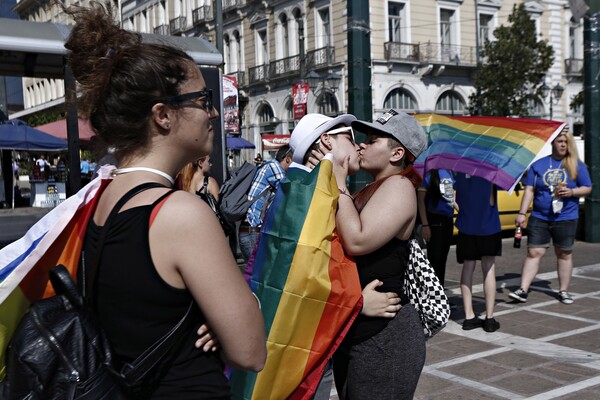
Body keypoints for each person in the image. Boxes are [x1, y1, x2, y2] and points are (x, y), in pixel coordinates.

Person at [62, 2, 265, 398]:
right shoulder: (178, 213)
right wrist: (236, 308)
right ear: (163, 116)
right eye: (203, 100)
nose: (213, 114)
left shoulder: (100, 199)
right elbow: (250, 351)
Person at [288, 113, 403, 400]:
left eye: (368, 141)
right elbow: (305, 279)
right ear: (327, 141)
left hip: (325, 344)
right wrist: (356, 304)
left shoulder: (312, 190)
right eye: (351, 138)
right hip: (309, 349)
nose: (359, 146)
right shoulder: (310, 195)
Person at [331, 109, 427, 399]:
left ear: (397, 154)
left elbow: (358, 241)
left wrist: (338, 181)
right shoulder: (372, 188)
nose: (361, 144)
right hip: (361, 327)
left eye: (372, 140)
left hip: (385, 336)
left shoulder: (399, 186)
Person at [509, 127, 592, 304]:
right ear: (553, 143)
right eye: (560, 141)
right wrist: (522, 213)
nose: (563, 145)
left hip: (566, 217)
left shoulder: (576, 164)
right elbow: (529, 191)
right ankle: (523, 290)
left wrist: (572, 192)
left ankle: (563, 291)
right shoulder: (538, 165)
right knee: (534, 251)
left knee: (564, 253)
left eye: (566, 142)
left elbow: (587, 187)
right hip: (540, 217)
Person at [454, 173, 501, 332]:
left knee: (468, 267)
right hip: (489, 226)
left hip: (466, 225)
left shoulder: (460, 172)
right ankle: (489, 318)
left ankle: (468, 316)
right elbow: (494, 198)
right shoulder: (490, 171)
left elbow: (453, 195)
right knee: (488, 269)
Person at [238, 145, 293, 262]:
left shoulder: (268, 166)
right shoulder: (274, 167)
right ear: (287, 159)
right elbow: (290, 192)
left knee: (257, 275)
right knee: (259, 275)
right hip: (252, 232)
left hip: (249, 231)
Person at [416, 169, 457, 288]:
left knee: (442, 260)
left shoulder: (449, 172)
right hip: (434, 221)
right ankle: (433, 295)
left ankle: (441, 293)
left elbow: (450, 198)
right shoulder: (429, 174)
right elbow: (421, 201)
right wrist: (425, 225)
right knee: (434, 260)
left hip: (448, 220)